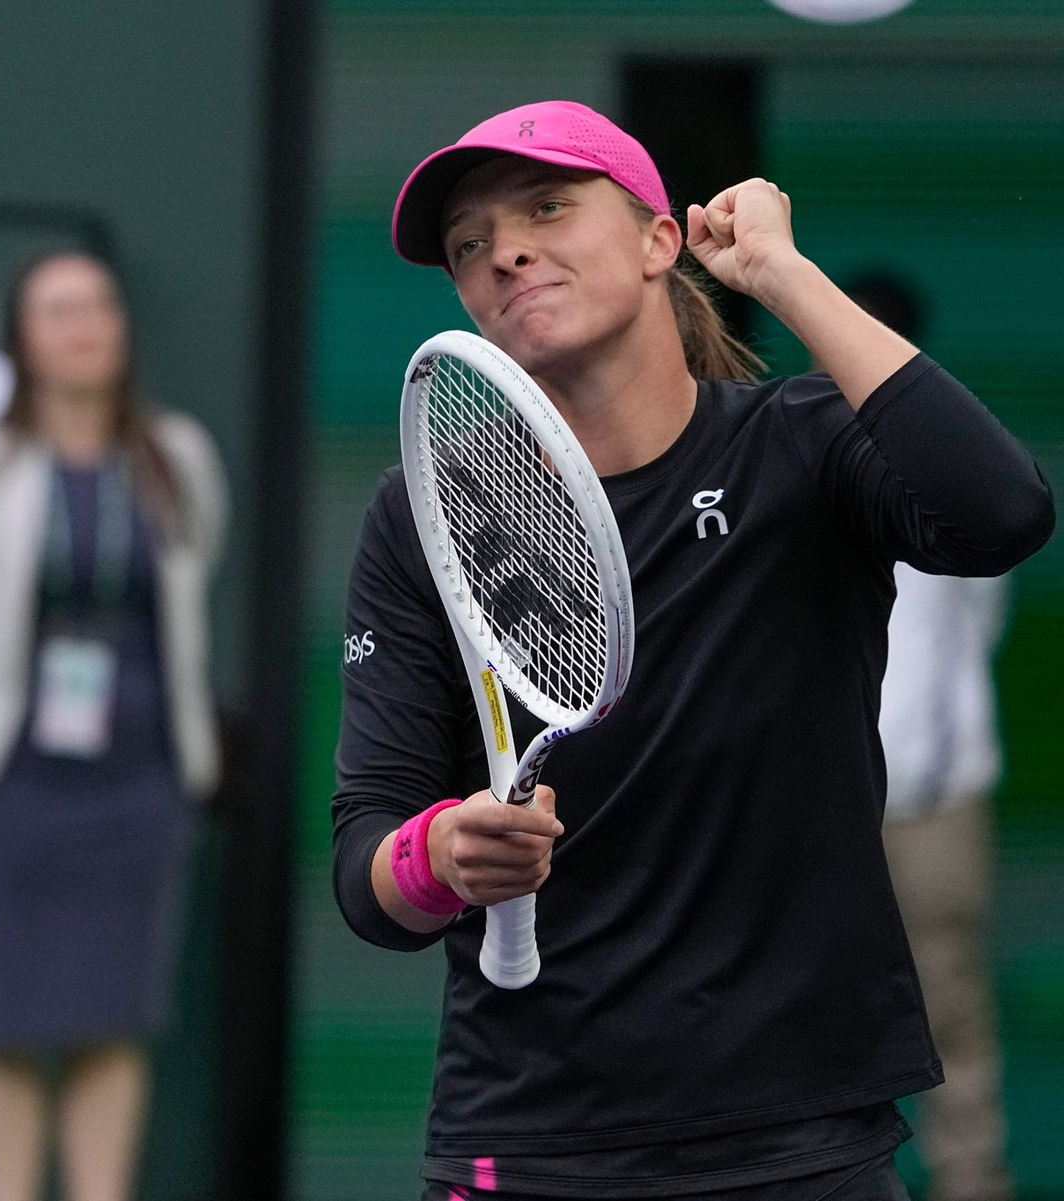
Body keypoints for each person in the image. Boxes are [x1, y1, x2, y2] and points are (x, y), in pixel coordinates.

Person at [331, 100, 1054, 1201]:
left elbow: (1000, 514)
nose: (504, 250)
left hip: (804, 1137)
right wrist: (440, 857)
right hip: (529, 1142)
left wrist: (782, 274)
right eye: (469, 246)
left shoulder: (808, 446)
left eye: (546, 208)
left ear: (661, 239)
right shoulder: (428, 510)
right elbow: (365, 870)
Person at [0, 249, 227, 1201]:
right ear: (24, 337)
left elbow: (199, 570)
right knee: (0, 1019)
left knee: (112, 1018)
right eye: (59, 310)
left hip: (136, 784)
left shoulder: (177, 457)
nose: (84, 327)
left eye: (99, 307)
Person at [834, 275, 1016, 1201]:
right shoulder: (801, 445)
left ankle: (970, 1183)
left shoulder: (950, 455)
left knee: (948, 998)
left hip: (931, 796)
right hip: (823, 803)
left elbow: (982, 604)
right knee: (810, 1001)